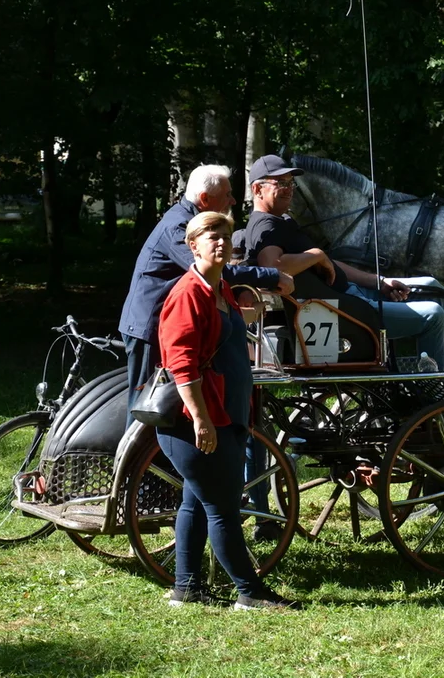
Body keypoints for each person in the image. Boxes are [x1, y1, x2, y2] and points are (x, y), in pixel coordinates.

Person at [242, 154, 444, 368]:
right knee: (432, 315)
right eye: (281, 184)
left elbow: (332, 266)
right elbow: (273, 269)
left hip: (351, 297)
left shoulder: (282, 223)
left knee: (430, 285)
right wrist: (316, 255)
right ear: (258, 189)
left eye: (292, 184)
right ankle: (432, 390)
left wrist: (381, 282)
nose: (290, 191)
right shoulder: (265, 226)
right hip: (343, 312)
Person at [157, 210, 299, 610]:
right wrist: (201, 419)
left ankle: (187, 589)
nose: (220, 242)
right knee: (222, 508)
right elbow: (180, 363)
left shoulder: (219, 290)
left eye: (225, 235)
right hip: (197, 422)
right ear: (193, 245)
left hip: (226, 415)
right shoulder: (188, 293)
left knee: (195, 501)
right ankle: (249, 593)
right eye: (210, 236)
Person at [119, 164, 294, 416]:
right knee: (147, 408)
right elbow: (213, 272)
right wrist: (271, 275)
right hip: (150, 326)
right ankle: (133, 456)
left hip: (166, 324)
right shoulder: (180, 228)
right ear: (205, 199)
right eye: (227, 195)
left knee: (166, 406)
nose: (233, 200)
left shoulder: (190, 222)